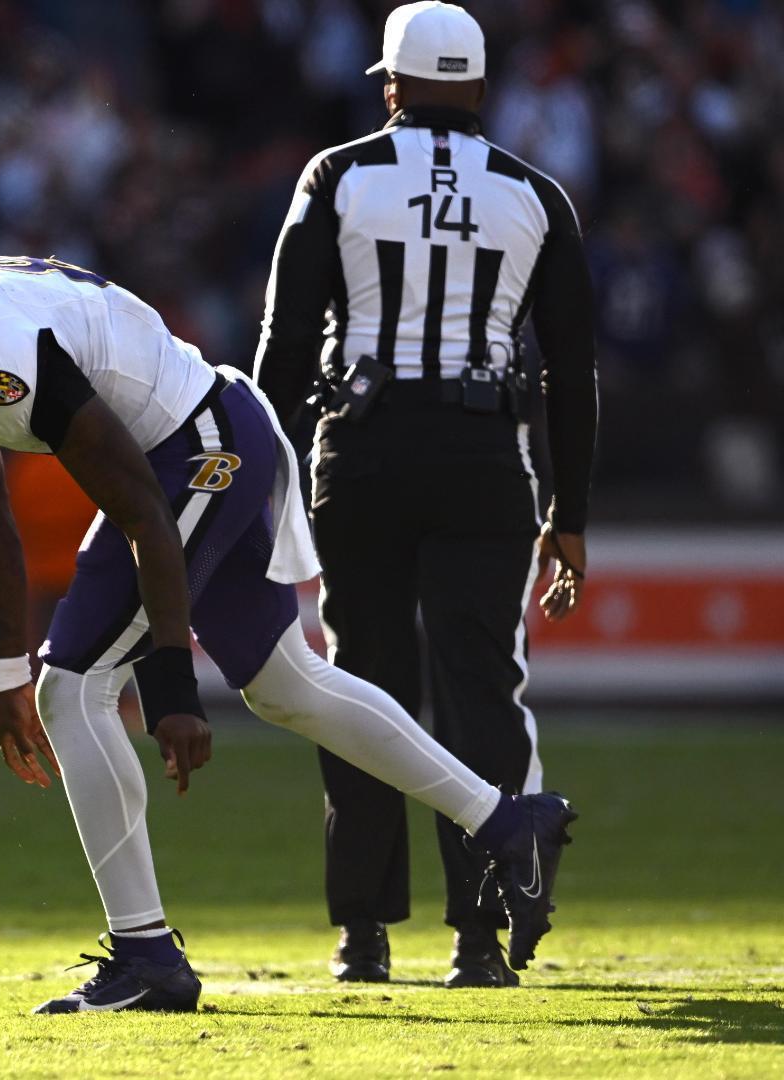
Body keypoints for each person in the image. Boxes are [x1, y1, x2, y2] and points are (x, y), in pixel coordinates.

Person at [0, 198, 578, 1015]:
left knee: (75, 688)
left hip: (198, 450)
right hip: (195, 440)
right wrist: (3, 672)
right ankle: (506, 821)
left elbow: (140, 504)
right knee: (289, 685)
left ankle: (145, 955)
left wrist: (172, 683)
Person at [252, 2, 598, 989]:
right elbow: (572, 371)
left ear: (390, 87)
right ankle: (480, 936)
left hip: (358, 451)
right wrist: (569, 518)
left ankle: (363, 933)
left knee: (360, 684)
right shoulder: (537, 195)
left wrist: (258, 485)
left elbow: (282, 347)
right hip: (486, 458)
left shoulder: (338, 174)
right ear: (481, 91)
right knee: (481, 688)